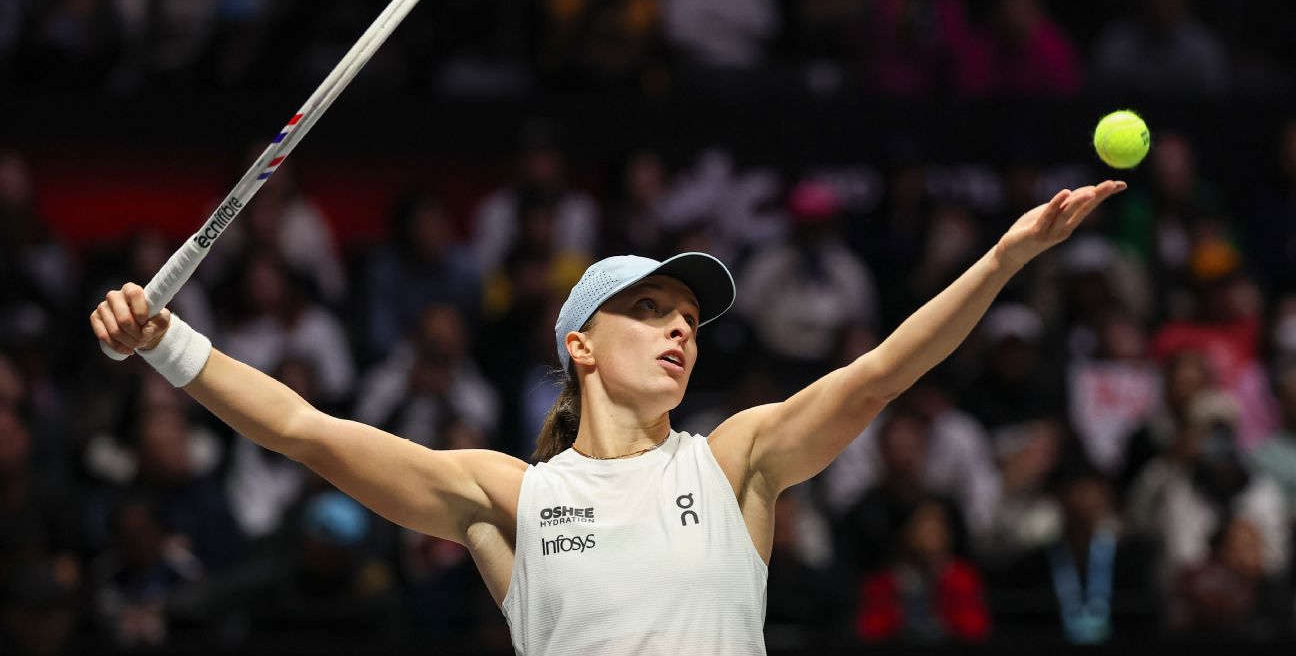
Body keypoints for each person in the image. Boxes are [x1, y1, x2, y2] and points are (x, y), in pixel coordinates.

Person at [90, 180, 1125, 654]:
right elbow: (304, 428)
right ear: (580, 344)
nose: (679, 329)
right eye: (650, 310)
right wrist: (167, 343)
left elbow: (879, 374)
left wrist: (1006, 258)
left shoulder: (735, 461)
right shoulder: (513, 497)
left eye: (689, 320)